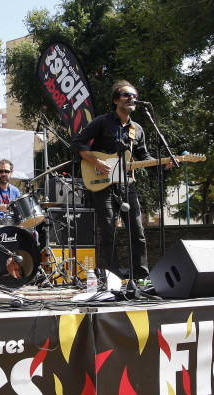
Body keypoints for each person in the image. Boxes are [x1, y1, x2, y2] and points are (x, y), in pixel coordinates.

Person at [71, 80, 155, 283]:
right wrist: (96, 161)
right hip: (102, 185)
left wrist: (163, 163)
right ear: (116, 100)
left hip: (127, 185)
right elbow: (78, 142)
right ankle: (112, 278)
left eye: (134, 96)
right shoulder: (102, 122)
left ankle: (141, 278)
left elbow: (144, 156)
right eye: (127, 95)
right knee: (108, 232)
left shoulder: (138, 129)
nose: (131, 99)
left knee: (138, 231)